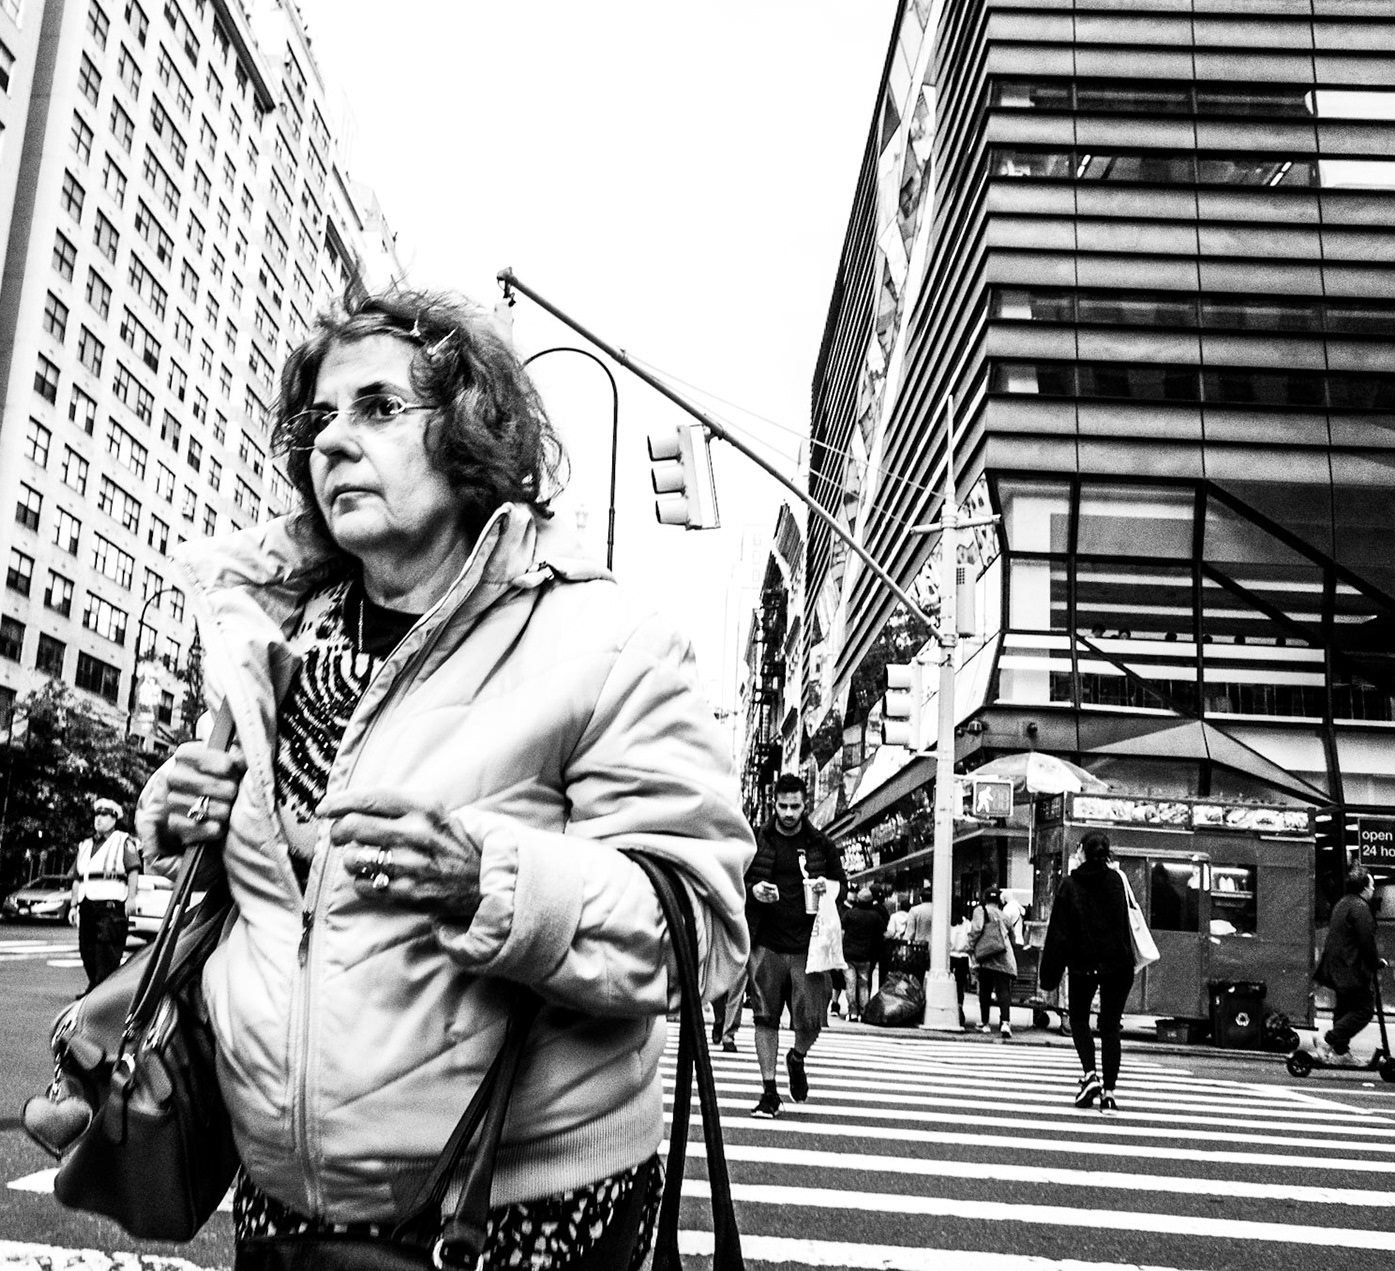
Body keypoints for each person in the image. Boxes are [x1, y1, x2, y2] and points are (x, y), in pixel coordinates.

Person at [137, 290, 753, 1270]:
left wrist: (490, 880)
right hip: (281, 1206)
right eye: (318, 418)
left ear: (471, 432)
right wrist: (189, 820)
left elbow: (702, 931)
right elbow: (290, 905)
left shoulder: (608, 639)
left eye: (379, 408)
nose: (333, 441)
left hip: (520, 1216)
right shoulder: (274, 639)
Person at [743, 772, 844, 1118]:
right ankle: (769, 1091)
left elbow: (840, 885)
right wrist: (755, 890)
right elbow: (738, 881)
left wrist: (825, 887)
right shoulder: (757, 840)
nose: (788, 813)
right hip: (766, 942)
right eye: (783, 806)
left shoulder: (821, 844)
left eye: (795, 806)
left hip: (809, 946)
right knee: (764, 1017)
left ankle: (797, 1057)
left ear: (805, 805)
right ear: (774, 804)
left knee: (812, 1019)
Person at [1039, 831, 1135, 1111]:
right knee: (1110, 1026)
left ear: (1081, 851)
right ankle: (1110, 1092)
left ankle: (1090, 1075)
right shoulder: (1117, 881)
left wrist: (1050, 973)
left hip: (1084, 965)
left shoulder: (1069, 885)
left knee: (1079, 1019)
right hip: (1118, 964)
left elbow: (1059, 933)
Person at [1313, 865, 1383, 1065]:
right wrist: (1375, 962)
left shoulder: (1342, 904)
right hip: (1352, 969)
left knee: (1344, 1008)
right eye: (1372, 885)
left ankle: (1341, 1052)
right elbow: (1366, 940)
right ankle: (1328, 1041)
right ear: (1364, 887)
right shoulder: (1361, 908)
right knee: (1364, 1010)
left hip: (1337, 967)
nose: (1373, 889)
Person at [72, 797, 140, 988]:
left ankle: (100, 991)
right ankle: (94, 987)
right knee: (87, 948)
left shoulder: (123, 841)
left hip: (110, 905)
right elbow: (77, 877)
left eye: (104, 815)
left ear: (114, 819)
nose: (99, 819)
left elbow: (133, 870)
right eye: (97, 815)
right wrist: (73, 905)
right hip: (87, 904)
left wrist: (131, 898)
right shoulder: (85, 845)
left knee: (107, 951)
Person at [969, 888, 1021, 1038]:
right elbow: (1012, 937)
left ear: (985, 898)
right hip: (1004, 956)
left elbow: (976, 929)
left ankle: (985, 1023)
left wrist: (970, 946)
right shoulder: (1004, 916)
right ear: (999, 901)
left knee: (985, 989)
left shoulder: (980, 911)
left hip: (987, 955)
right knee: (1003, 990)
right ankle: (1005, 1022)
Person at [841, 886, 887, 1020]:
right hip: (866, 955)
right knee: (863, 985)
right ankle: (864, 1012)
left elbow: (842, 932)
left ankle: (852, 1012)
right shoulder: (875, 916)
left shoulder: (850, 914)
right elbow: (883, 934)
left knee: (850, 984)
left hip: (849, 955)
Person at [947, 903, 974, 1027]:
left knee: (948, 983)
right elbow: (970, 939)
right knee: (960, 985)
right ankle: (959, 1007)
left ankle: (948, 1008)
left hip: (949, 956)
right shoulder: (967, 923)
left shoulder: (947, 922)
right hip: (963, 957)